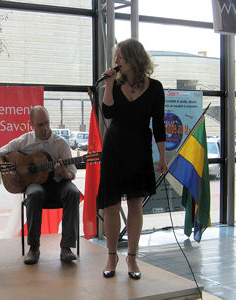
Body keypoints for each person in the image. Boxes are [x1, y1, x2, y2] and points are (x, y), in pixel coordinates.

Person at [97, 38, 168, 280]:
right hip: (115, 147)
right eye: (116, 56)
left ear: (134, 59)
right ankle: (112, 254)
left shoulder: (155, 88)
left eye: (120, 57)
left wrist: (162, 157)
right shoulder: (114, 84)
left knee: (136, 203)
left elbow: (158, 123)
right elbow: (107, 113)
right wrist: (108, 85)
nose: (115, 61)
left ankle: (133, 257)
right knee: (111, 204)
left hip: (140, 147)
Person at [0, 106, 79, 265]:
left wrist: (65, 173)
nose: (45, 128)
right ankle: (34, 247)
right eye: (40, 125)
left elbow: (72, 172)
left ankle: (67, 247)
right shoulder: (23, 141)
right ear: (32, 124)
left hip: (59, 183)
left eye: (47, 123)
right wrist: (6, 171)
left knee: (73, 193)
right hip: (35, 184)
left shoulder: (60, 143)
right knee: (33, 194)